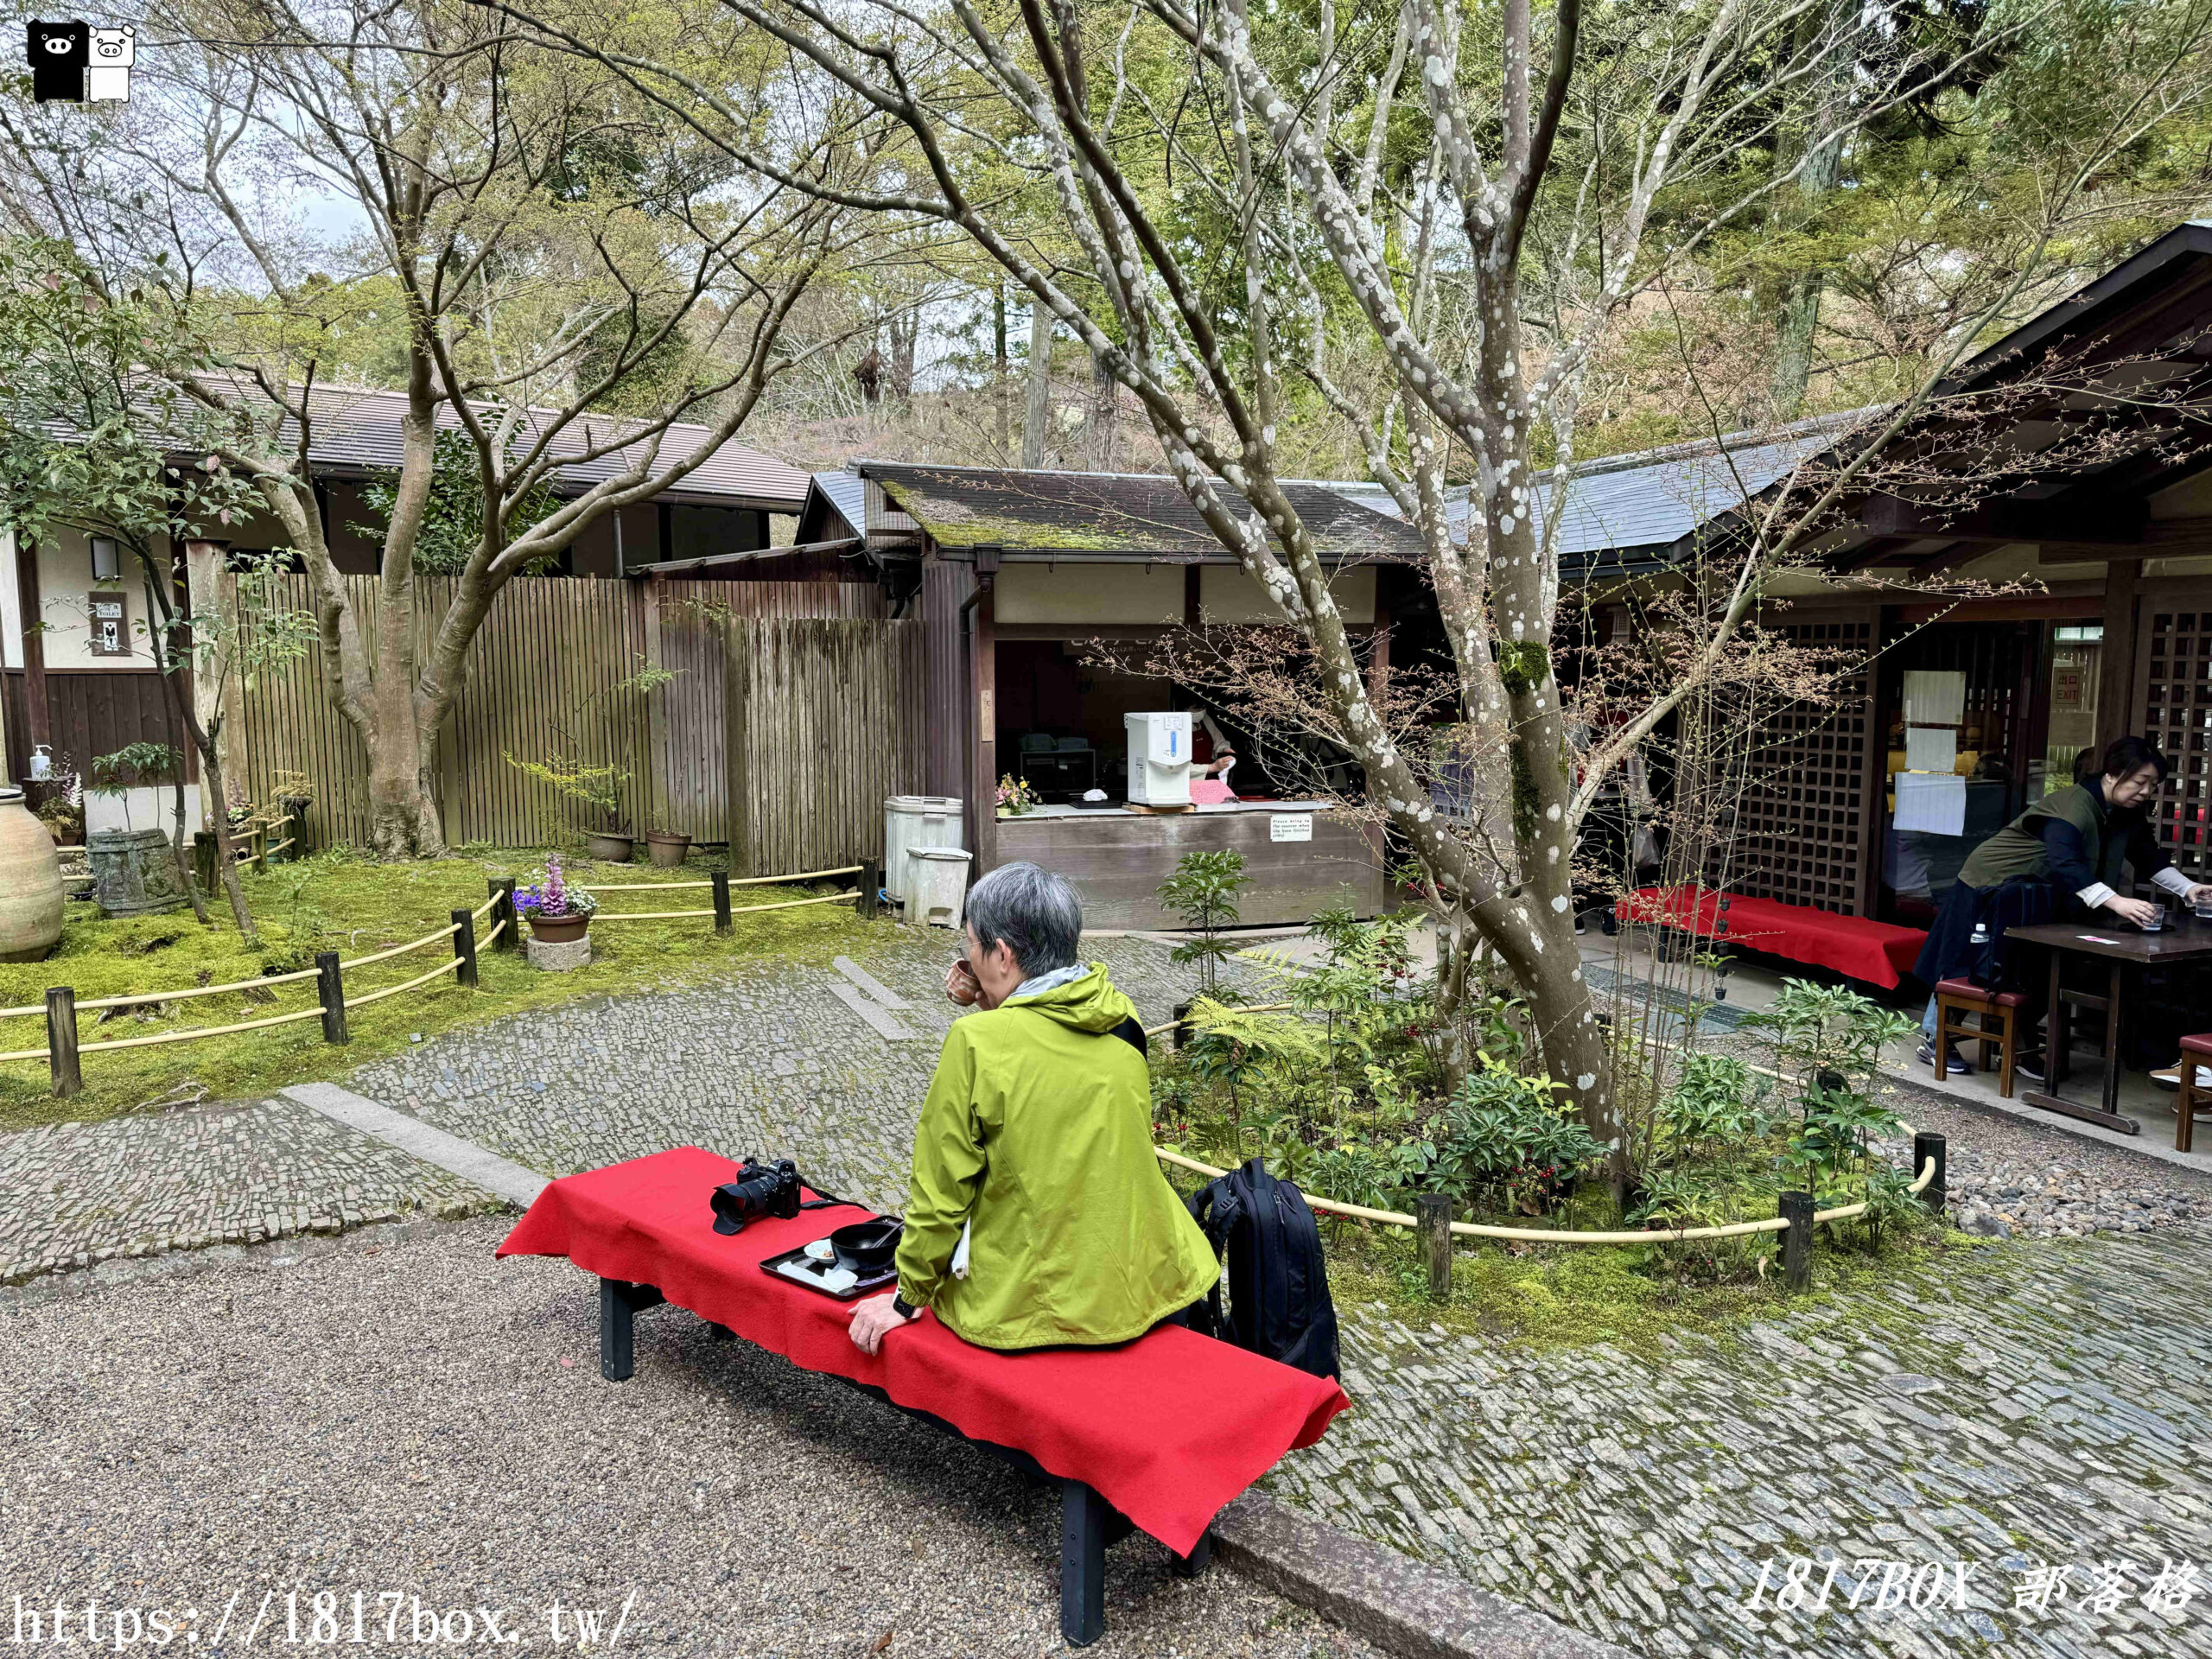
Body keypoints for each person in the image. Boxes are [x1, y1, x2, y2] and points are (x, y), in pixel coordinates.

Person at [847, 861, 1219, 1356]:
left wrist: (906, 1296)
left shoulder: (976, 1042)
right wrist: (999, 1003)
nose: (968, 958)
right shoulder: (1121, 1016)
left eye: (971, 947)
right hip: (1139, 1281)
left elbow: (941, 1192)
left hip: (1031, 1305)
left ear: (1001, 954)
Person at [1913, 736, 2212, 1077]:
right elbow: (2065, 862)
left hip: (2042, 894)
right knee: (1967, 960)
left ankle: (2018, 1047)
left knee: (2039, 967)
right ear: (2112, 774)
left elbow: (2147, 856)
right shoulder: (2071, 806)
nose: (2146, 792)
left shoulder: (2126, 813)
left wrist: (2188, 889)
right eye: (2140, 782)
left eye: (2153, 785)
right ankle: (1935, 1039)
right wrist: (2116, 902)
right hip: (1990, 883)